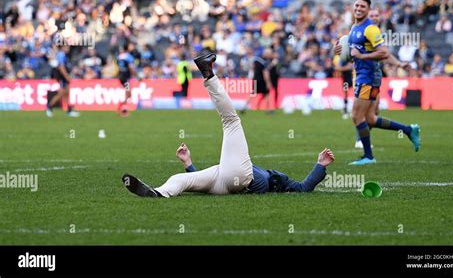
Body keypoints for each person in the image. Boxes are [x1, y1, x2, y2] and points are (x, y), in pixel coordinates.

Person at [122, 50, 335, 198]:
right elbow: (301, 188)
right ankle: (159, 193)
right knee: (183, 179)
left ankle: (208, 73)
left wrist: (320, 165)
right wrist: (189, 163)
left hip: (242, 178)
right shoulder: (269, 176)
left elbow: (303, 188)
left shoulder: (278, 180)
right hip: (225, 178)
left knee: (231, 120)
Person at [334, 0, 420, 165]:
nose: (359, 8)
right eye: (357, 5)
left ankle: (368, 156)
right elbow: (352, 53)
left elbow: (384, 53)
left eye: (363, 6)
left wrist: (362, 56)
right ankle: (409, 130)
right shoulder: (354, 28)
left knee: (357, 116)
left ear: (368, 9)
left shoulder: (370, 29)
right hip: (363, 75)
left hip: (367, 77)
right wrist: (340, 50)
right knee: (371, 118)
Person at [353, 8, 410, 149]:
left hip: (374, 76)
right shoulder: (364, 32)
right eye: (371, 15)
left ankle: (364, 142)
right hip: (365, 76)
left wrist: (398, 64)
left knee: (372, 113)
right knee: (364, 113)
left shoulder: (377, 34)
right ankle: (361, 140)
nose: (374, 17)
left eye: (376, 15)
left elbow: (385, 54)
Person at [46, 44, 80, 117]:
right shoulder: (61, 54)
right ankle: (49, 106)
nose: (68, 49)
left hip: (63, 77)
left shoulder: (63, 55)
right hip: (62, 77)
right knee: (61, 93)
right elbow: (61, 67)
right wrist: (66, 76)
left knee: (66, 93)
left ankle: (69, 110)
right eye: (67, 47)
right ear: (63, 47)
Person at [117, 44, 136, 116]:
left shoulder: (119, 56)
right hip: (125, 77)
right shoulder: (129, 56)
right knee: (128, 93)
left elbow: (119, 66)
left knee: (128, 92)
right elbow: (131, 67)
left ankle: (122, 108)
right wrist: (135, 75)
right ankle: (123, 110)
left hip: (121, 76)